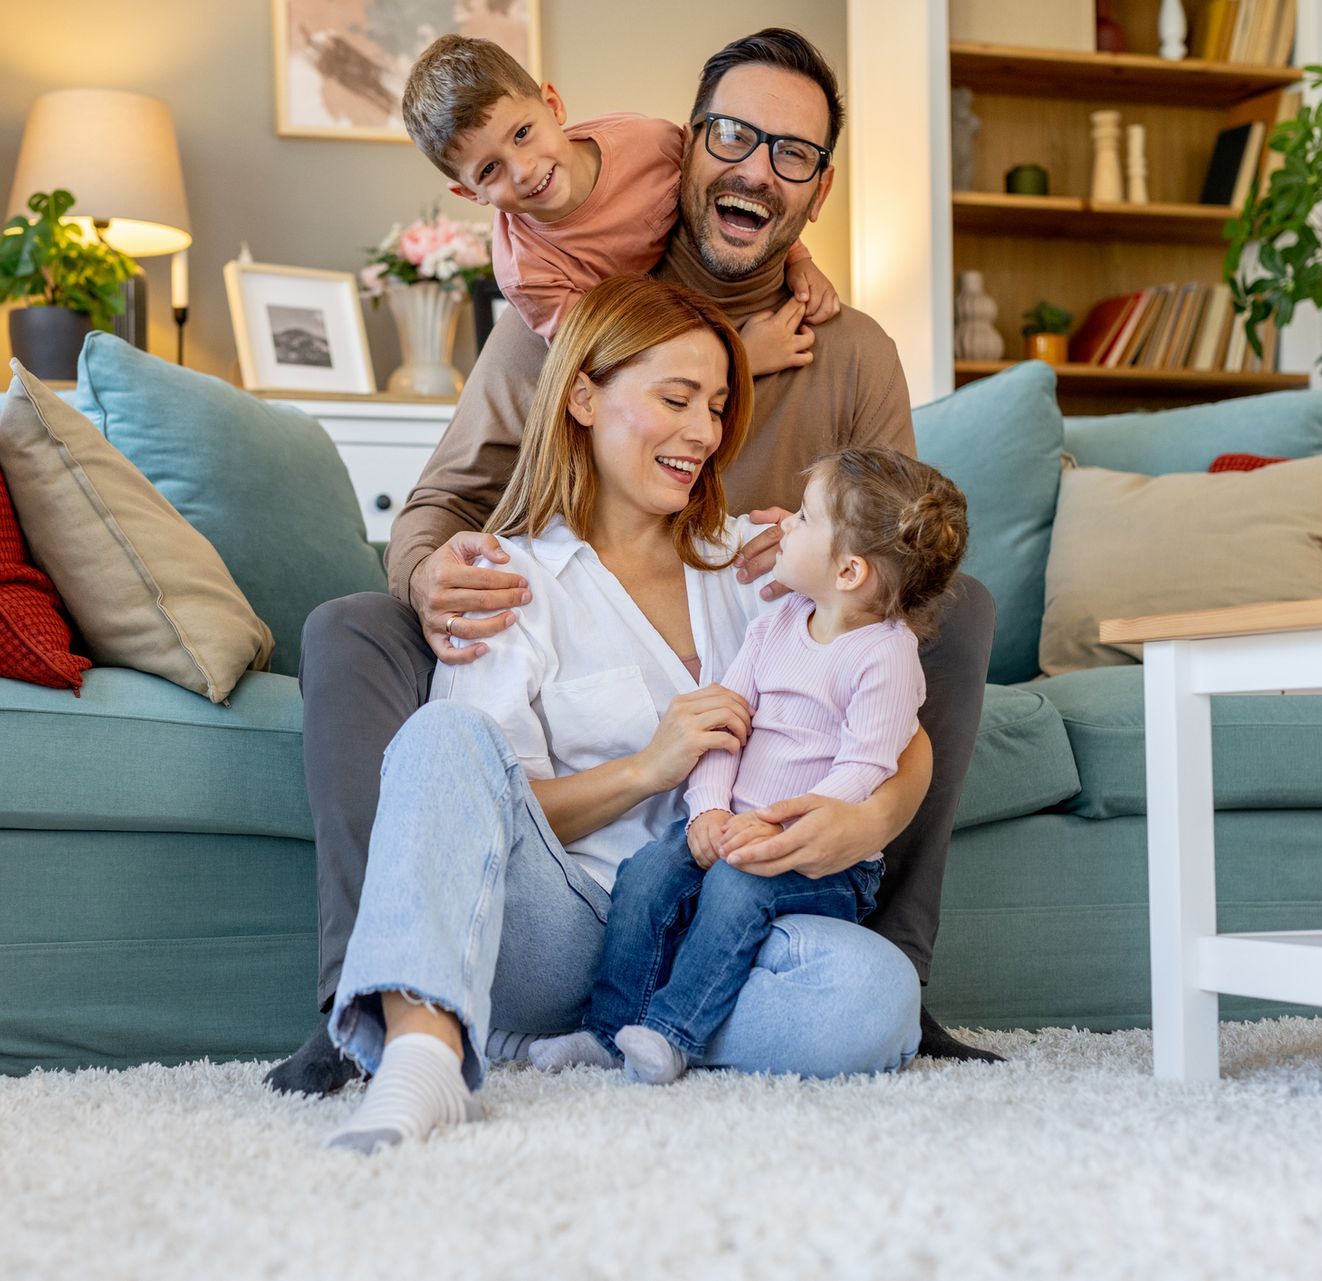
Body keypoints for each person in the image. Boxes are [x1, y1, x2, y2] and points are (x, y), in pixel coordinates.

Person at [269, 28, 998, 1099]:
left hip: (765, 643)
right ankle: (371, 999)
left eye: (790, 154)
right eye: (733, 137)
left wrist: (870, 809)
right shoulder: (573, 314)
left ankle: (876, 969)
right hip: (578, 630)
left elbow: (885, 615)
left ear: (818, 189)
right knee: (353, 629)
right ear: (687, 147)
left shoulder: (849, 350)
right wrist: (429, 575)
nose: (755, 168)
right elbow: (441, 502)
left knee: (955, 607)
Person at [324, 274, 922, 1154]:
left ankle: (636, 1033)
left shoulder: (759, 566)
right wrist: (650, 766)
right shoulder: (510, 581)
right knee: (441, 735)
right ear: (583, 396)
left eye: (717, 406)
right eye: (675, 398)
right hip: (567, 923)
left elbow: (901, 728)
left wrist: (861, 817)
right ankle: (423, 1062)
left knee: (872, 995)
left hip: (714, 924)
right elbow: (489, 802)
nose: (703, 433)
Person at [527, 447, 969, 1086]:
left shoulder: (885, 658)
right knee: (648, 874)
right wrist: (708, 809)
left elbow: (866, 766)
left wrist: (777, 827)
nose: (783, 524)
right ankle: (606, 1029)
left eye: (804, 519)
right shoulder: (779, 623)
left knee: (737, 886)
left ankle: (674, 1034)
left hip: (818, 856)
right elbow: (724, 726)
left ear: (848, 571)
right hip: (732, 825)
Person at [401, 33, 839, 361]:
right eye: (490, 170)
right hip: (643, 333)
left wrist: (800, 260)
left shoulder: (648, 143)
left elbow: (734, 189)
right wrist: (740, 355)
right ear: (468, 192)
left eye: (522, 134)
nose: (524, 169)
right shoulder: (527, 272)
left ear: (553, 106)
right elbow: (604, 357)